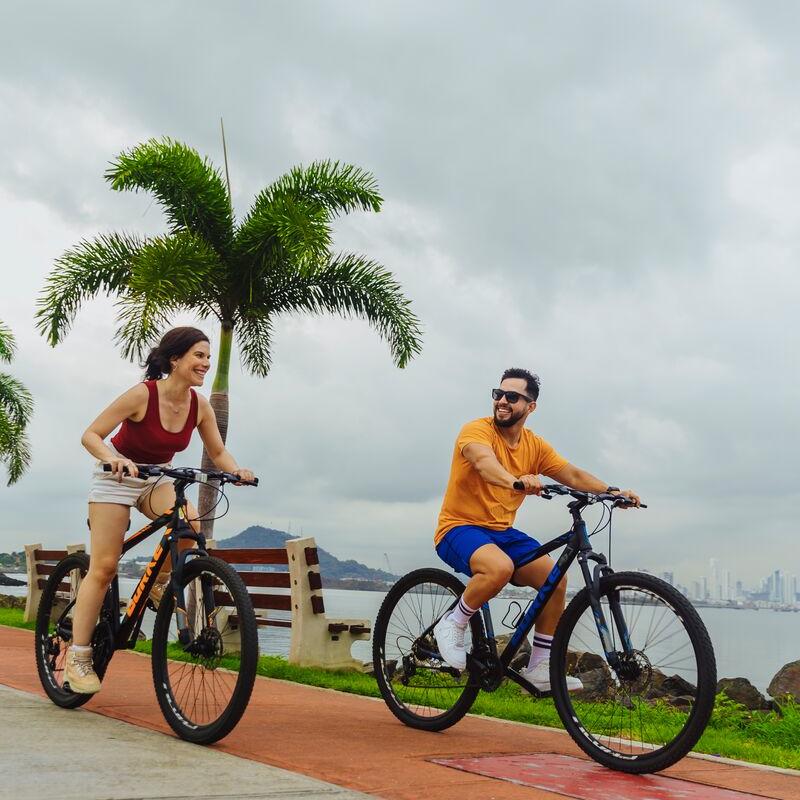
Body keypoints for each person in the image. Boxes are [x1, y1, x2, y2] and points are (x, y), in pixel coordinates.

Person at [65, 326, 255, 694]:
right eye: (198, 355)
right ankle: (78, 655)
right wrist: (113, 458)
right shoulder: (142, 395)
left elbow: (216, 452)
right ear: (175, 359)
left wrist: (236, 469)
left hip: (156, 479)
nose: (205, 363)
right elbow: (91, 434)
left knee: (187, 534)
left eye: (207, 356)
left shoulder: (199, 404)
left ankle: (158, 585)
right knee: (103, 567)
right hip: (116, 478)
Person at [433, 367, 640, 691]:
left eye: (512, 397)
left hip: (502, 532)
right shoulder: (476, 431)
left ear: (530, 406)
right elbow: (485, 463)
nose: (502, 401)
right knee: (498, 568)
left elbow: (570, 474)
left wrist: (611, 492)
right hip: (459, 527)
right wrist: (515, 480)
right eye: (498, 394)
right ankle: (452, 623)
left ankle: (539, 666)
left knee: (555, 579)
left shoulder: (534, 446)